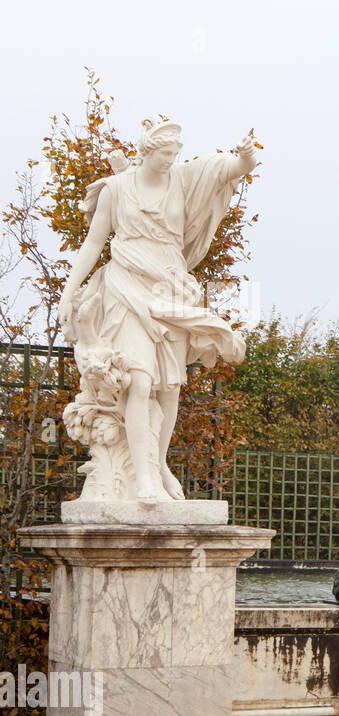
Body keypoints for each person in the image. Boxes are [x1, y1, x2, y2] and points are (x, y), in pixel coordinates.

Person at [58, 116, 257, 501]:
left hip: (169, 287)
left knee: (169, 390)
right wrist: (69, 291)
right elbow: (93, 243)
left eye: (174, 154)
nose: (170, 160)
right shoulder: (116, 189)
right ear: (147, 151)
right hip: (127, 285)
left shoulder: (181, 179)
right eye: (164, 153)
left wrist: (246, 156)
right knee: (139, 380)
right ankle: (145, 481)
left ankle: (158, 465)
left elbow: (232, 169)